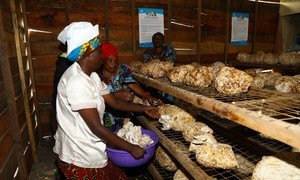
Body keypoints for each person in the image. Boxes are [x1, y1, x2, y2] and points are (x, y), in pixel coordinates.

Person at [54, 22, 160, 179]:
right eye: (98, 51)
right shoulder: (77, 82)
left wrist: (144, 109)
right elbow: (96, 127)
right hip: (80, 155)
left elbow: (115, 103)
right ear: (87, 54)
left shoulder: (92, 76)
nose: (102, 56)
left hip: (93, 147)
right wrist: (131, 147)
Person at [98, 42, 163, 131]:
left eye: (115, 60)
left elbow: (131, 83)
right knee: (111, 137)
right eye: (110, 60)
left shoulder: (121, 69)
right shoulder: (96, 76)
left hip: (126, 110)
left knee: (127, 133)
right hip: (107, 115)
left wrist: (147, 96)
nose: (113, 63)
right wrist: (117, 95)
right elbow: (97, 98)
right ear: (102, 61)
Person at [142, 32, 176, 103]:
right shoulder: (147, 53)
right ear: (152, 41)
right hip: (152, 82)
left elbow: (169, 64)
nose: (157, 40)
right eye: (155, 39)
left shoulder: (169, 51)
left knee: (168, 102)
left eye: (159, 38)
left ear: (163, 40)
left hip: (166, 81)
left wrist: (154, 63)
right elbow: (146, 67)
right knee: (154, 102)